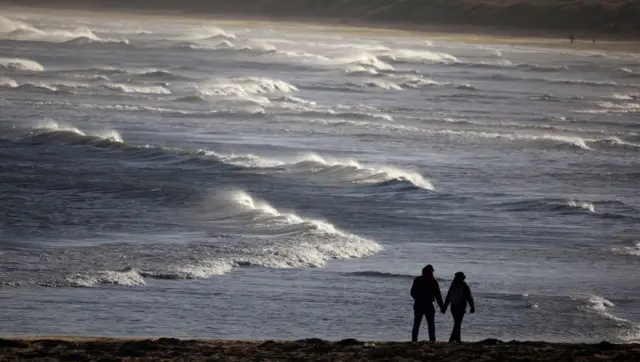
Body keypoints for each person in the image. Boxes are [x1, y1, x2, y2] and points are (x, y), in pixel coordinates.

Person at [410, 264, 444, 342]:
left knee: (416, 324)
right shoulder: (433, 281)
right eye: (432, 271)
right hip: (429, 305)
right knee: (431, 324)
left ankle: (414, 340)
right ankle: (432, 340)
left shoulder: (417, 280)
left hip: (419, 304)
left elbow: (412, 292)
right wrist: (441, 306)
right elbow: (438, 295)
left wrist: (418, 298)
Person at [442, 272, 475, 342]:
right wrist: (472, 307)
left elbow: (448, 297)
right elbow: (469, 297)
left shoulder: (453, 285)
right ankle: (452, 339)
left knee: (457, 322)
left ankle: (457, 338)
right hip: (461, 306)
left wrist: (445, 306)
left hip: (453, 306)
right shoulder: (465, 286)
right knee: (457, 323)